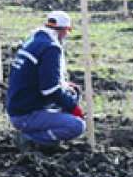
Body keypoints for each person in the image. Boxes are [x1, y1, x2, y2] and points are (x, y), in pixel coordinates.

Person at [5, 11, 86, 150]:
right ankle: (31, 139)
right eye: (67, 32)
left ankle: (45, 131)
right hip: (26, 113)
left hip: (20, 105)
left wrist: (66, 87)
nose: (66, 36)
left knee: (73, 92)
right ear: (63, 30)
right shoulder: (51, 48)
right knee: (76, 126)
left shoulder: (35, 41)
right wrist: (74, 107)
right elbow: (50, 89)